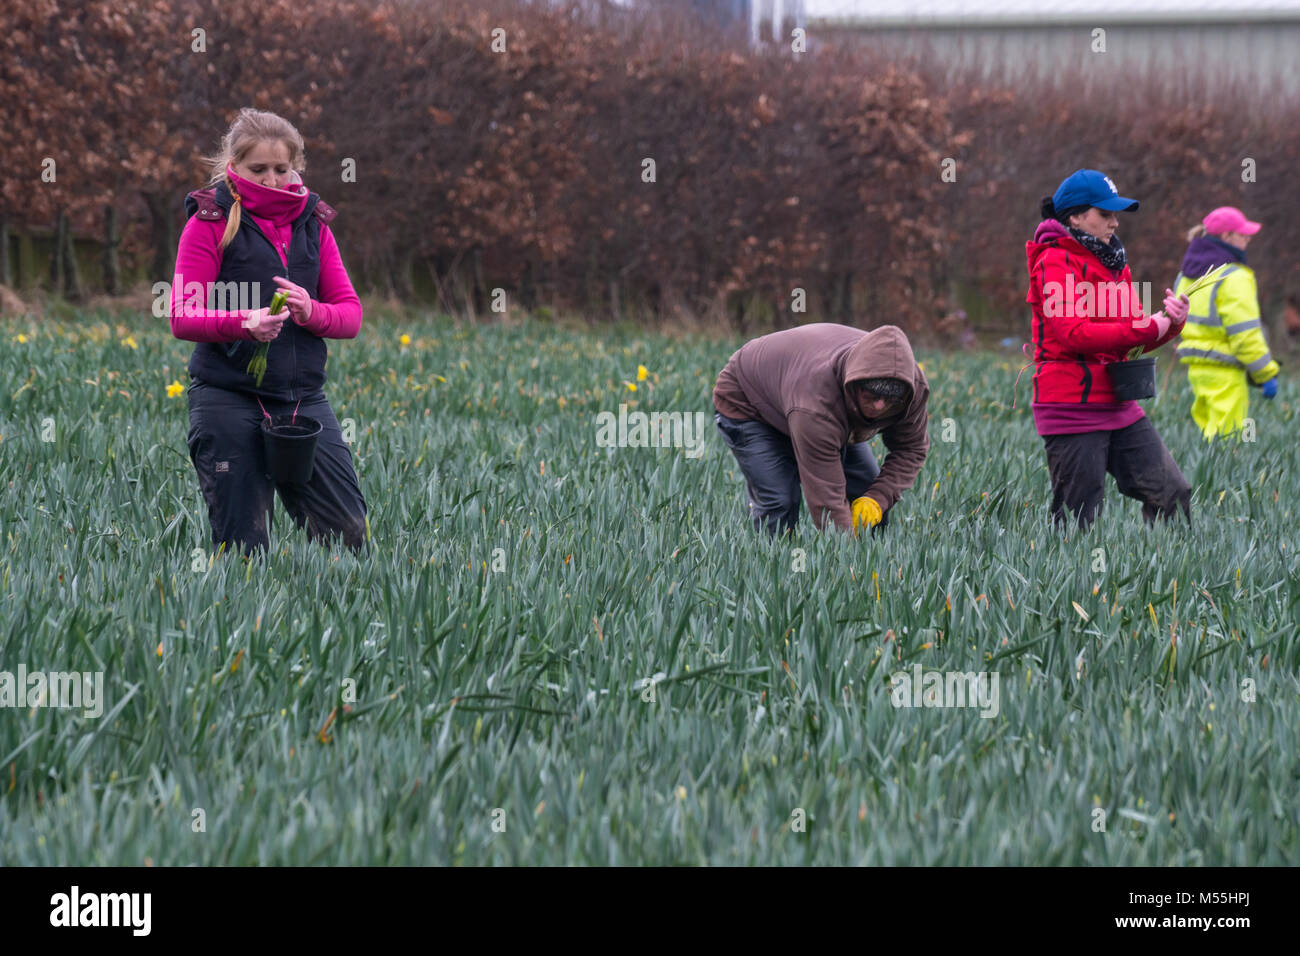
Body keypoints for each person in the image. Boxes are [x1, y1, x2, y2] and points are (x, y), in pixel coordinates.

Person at [169, 108, 368, 556]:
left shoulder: (314, 224)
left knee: (351, 538)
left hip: (302, 400)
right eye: (259, 169)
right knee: (244, 551)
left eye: (282, 168)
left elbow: (350, 316)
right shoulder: (209, 222)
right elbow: (182, 315)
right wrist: (246, 322)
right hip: (226, 400)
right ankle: (249, 625)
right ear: (234, 167)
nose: (273, 180)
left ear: (296, 166)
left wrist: (309, 310)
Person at [1024, 168, 1191, 529]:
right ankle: (1072, 585)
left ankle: (1170, 580)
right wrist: (1146, 326)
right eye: (1105, 214)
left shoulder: (1114, 263)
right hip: (1071, 408)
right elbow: (1073, 333)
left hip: (1118, 403)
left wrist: (1171, 323)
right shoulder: (1053, 260)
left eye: (1116, 214)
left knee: (1172, 493)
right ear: (1075, 216)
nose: (1114, 223)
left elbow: (1132, 337)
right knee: (1078, 521)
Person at [712, 323, 929, 536]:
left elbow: (911, 449)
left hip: (803, 399)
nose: (880, 407)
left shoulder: (911, 391)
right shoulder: (817, 405)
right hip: (750, 403)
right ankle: (774, 565)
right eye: (872, 396)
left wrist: (877, 499)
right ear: (854, 385)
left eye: (890, 400)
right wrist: (845, 564)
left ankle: (875, 568)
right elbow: (828, 501)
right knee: (780, 500)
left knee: (866, 492)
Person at [1174, 206, 1280, 439]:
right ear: (1226, 237)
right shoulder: (1235, 277)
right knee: (1227, 446)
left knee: (1206, 442)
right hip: (1226, 373)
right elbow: (1245, 336)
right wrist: (1265, 375)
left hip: (1196, 371)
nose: (1248, 239)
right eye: (1242, 235)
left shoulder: (1185, 274)